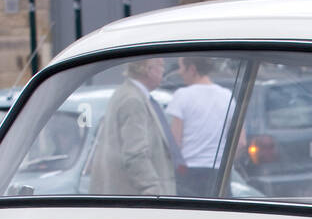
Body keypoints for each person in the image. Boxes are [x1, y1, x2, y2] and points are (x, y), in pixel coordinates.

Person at [89, 57, 176, 196]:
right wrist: (154, 190)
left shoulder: (127, 93)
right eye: (160, 65)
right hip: (136, 199)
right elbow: (135, 153)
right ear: (147, 69)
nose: (163, 71)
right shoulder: (133, 100)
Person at [167, 57, 239, 197]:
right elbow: (240, 142)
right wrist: (226, 164)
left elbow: (175, 142)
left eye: (181, 67)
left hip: (189, 173)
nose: (179, 72)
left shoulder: (182, 96)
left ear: (192, 69)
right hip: (220, 172)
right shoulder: (227, 96)